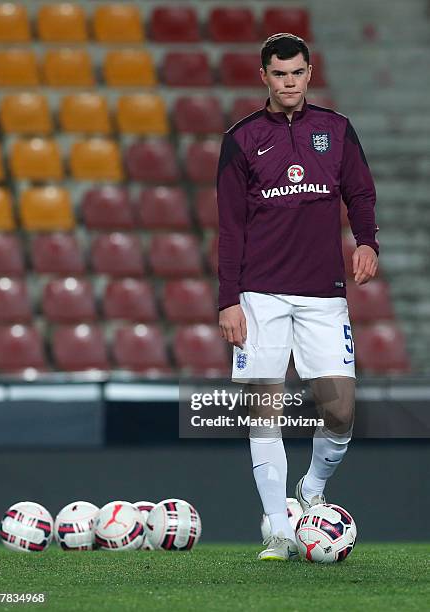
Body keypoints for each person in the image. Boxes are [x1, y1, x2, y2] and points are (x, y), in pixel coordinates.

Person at [217, 33, 379, 561]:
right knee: (263, 410)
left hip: (322, 294)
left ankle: (310, 491)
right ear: (263, 76)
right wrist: (228, 299)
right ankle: (280, 530)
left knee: (341, 409)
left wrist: (367, 241)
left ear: (310, 74)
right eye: (279, 73)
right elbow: (230, 228)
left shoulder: (336, 131)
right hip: (259, 294)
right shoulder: (240, 140)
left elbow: (359, 192)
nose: (289, 82)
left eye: (297, 73)